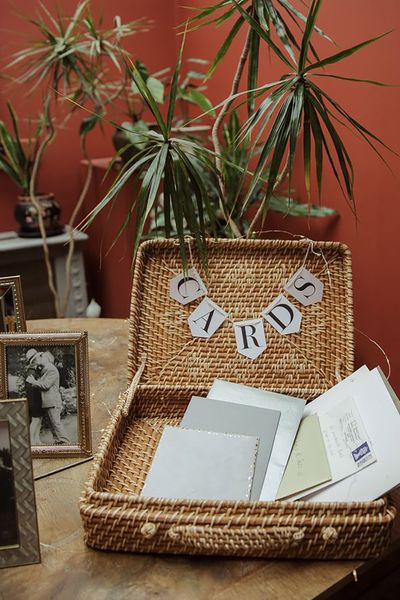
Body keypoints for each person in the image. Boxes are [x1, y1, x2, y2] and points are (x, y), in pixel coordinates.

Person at [26, 349, 70, 445]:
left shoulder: (51, 369)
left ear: (40, 357)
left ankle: (66, 443)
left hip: (53, 402)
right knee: (52, 425)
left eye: (35, 360)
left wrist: (33, 382)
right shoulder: (46, 369)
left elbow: (46, 385)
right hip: (49, 402)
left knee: (56, 424)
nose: (36, 363)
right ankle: (58, 441)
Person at [25, 349, 45, 445]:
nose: (40, 358)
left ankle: (36, 439)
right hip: (34, 400)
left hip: (37, 399)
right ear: (35, 359)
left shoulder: (35, 370)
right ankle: (31, 441)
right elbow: (31, 389)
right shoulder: (31, 371)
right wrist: (33, 403)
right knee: (35, 420)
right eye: (38, 357)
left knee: (39, 420)